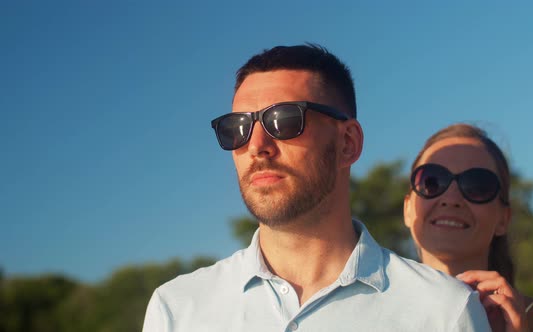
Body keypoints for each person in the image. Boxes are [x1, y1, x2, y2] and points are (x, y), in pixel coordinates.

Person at [142, 44, 491, 331]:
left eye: (284, 120)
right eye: (238, 127)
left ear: (348, 143)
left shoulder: (444, 312)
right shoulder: (177, 309)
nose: (256, 144)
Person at [404, 123, 533, 332]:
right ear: (408, 208)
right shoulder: (369, 310)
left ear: (503, 219)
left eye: (477, 185)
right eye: (432, 181)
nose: (451, 198)